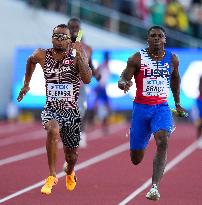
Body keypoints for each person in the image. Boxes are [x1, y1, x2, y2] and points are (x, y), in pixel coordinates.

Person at [17, 24, 92, 195]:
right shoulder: (42, 54)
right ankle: (52, 175)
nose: (59, 39)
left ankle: (70, 172)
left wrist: (80, 56)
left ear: (69, 40)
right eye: (56, 36)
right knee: (52, 130)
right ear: (51, 38)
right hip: (51, 109)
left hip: (71, 111)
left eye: (63, 36)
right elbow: (30, 61)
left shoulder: (76, 55)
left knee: (71, 156)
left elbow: (87, 79)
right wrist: (26, 85)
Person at [118, 26, 186, 201]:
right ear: (147, 39)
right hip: (141, 109)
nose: (156, 38)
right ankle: (142, 134)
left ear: (165, 40)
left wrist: (177, 103)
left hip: (161, 107)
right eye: (152, 36)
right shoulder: (137, 58)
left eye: (160, 36)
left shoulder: (172, 59)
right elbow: (124, 77)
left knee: (163, 140)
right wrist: (123, 83)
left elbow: (175, 80)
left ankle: (154, 187)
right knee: (136, 159)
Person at [67, 17, 101, 148]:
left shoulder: (87, 48)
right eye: (72, 27)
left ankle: (81, 134)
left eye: (77, 28)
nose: (75, 30)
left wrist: (96, 74)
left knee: (82, 109)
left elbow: (90, 64)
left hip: (80, 85)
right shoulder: (62, 46)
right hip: (66, 85)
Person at [93, 51, 111, 132]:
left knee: (106, 106)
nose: (108, 59)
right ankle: (94, 120)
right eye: (107, 58)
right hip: (100, 87)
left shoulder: (107, 66)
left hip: (103, 88)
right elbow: (96, 73)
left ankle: (104, 125)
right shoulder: (102, 66)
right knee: (99, 105)